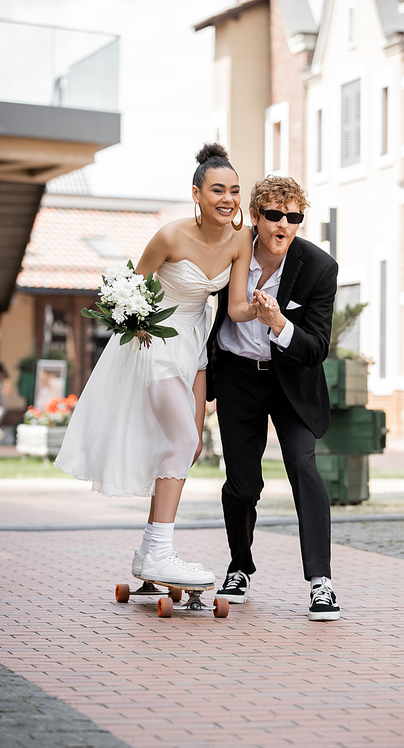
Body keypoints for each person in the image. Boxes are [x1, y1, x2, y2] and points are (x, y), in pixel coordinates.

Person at [56, 143, 257, 587]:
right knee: (183, 436)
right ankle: (162, 552)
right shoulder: (169, 236)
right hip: (154, 341)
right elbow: (128, 288)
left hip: (195, 348)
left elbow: (237, 305)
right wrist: (133, 320)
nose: (228, 199)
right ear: (197, 194)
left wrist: (262, 311)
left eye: (235, 191)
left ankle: (149, 552)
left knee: (191, 445)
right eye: (218, 190)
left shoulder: (242, 239)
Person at [207, 175, 340, 621]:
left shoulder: (319, 268)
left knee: (303, 465)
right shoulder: (231, 248)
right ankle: (239, 566)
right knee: (243, 486)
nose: (285, 224)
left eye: (294, 216)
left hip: (292, 383)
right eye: (275, 214)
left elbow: (317, 346)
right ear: (257, 216)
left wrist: (281, 325)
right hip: (237, 378)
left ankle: (321, 582)